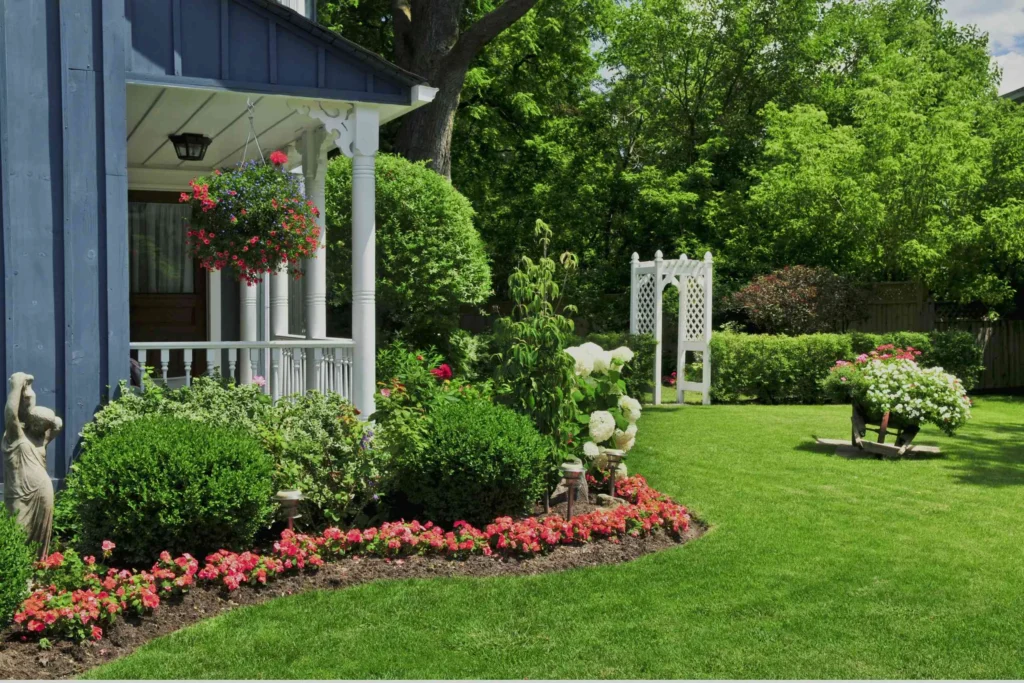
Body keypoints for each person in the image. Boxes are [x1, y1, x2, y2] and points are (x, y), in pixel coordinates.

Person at [3, 372, 62, 559]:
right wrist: (20, 388)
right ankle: (20, 579)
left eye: (42, 427)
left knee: (39, 539)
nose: (41, 429)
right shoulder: (16, 436)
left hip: (42, 492)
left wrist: (22, 387)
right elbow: (11, 413)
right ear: (29, 421)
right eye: (38, 425)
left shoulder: (40, 438)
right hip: (19, 493)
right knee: (17, 534)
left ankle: (36, 575)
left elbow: (57, 424)